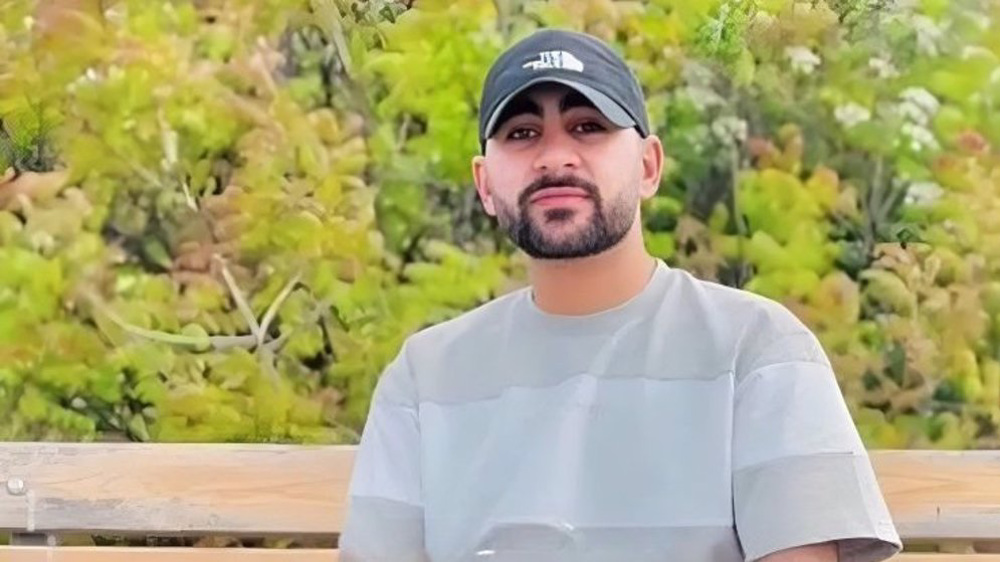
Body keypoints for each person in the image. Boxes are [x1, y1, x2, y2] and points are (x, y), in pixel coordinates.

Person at [339, 28, 902, 562]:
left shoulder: (755, 349)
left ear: (649, 165)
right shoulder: (426, 376)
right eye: (522, 133)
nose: (554, 157)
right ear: (486, 185)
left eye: (587, 127)